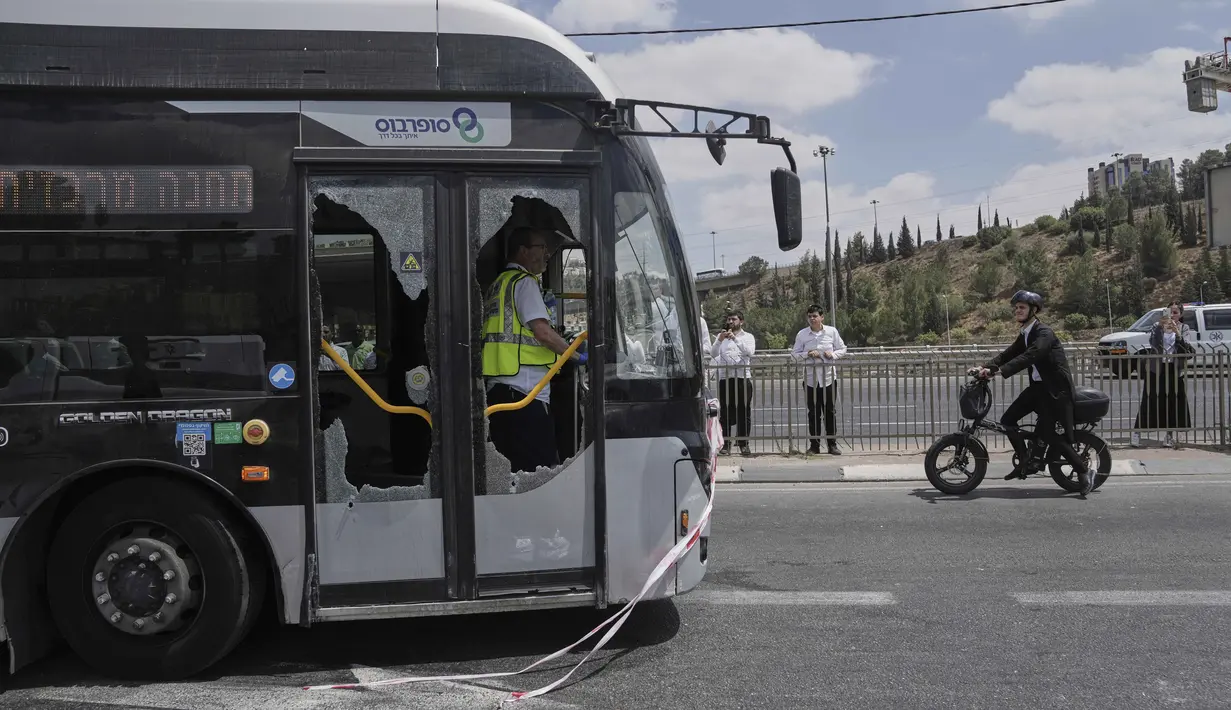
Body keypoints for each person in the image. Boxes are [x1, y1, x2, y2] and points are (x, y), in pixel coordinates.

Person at [482, 226, 584, 474]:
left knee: (512, 469)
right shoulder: (524, 282)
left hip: (500, 391)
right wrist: (575, 355)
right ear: (523, 251)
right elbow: (542, 333)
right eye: (542, 248)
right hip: (526, 393)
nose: (547, 254)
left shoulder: (499, 284)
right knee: (537, 471)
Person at [972, 290, 1094, 496]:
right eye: (1016, 307)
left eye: (1022, 307)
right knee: (1008, 420)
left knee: (1048, 434)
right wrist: (984, 367)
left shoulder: (1044, 332)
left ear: (1033, 310)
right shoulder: (1025, 333)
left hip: (1056, 391)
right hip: (1038, 389)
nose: (1017, 311)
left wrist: (1001, 371)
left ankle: (1083, 471)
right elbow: (1009, 354)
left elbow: (1031, 355)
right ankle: (1025, 461)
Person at [1132, 301, 1193, 448]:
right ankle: (1136, 434)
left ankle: (1169, 435)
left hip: (1174, 369)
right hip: (1156, 369)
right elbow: (1153, 343)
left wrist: (1177, 333)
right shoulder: (1156, 327)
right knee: (1149, 400)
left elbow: (1186, 348)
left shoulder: (1184, 328)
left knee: (1173, 402)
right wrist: (1160, 328)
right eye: (1169, 312)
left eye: (1175, 312)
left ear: (1181, 314)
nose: (1172, 315)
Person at [791, 304, 846, 455]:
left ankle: (832, 444)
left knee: (830, 412)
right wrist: (807, 354)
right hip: (811, 380)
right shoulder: (802, 334)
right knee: (813, 413)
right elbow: (794, 354)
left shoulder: (831, 332)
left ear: (822, 317)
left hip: (828, 378)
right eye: (809, 316)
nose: (812, 319)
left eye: (815, 316)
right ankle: (814, 446)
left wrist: (832, 355)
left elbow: (842, 348)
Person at [710, 310, 755, 456]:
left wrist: (735, 339)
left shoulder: (747, 337)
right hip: (725, 378)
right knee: (726, 412)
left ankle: (743, 443)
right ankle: (726, 443)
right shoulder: (721, 337)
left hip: (742, 377)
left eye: (734, 319)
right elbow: (713, 353)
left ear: (741, 321)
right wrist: (720, 340)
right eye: (729, 319)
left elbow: (749, 352)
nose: (730, 321)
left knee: (744, 411)